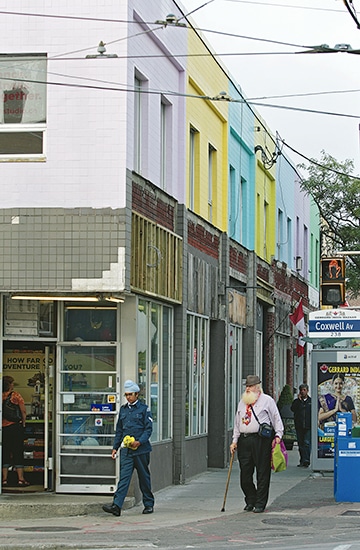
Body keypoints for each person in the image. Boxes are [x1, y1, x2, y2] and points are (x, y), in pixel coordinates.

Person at [230, 375, 284, 514]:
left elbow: (276, 418)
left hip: (261, 440)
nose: (247, 389)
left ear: (257, 387)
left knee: (262, 473)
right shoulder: (242, 402)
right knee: (245, 475)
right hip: (245, 440)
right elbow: (237, 423)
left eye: (250, 386)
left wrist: (278, 435)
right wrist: (234, 440)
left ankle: (260, 503)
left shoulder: (267, 401)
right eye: (246, 386)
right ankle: (250, 499)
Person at [102, 380, 155, 517]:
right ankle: (117, 506)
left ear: (136, 394)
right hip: (126, 450)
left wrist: (140, 442)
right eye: (126, 395)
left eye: (130, 394)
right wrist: (115, 447)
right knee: (124, 478)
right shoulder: (124, 410)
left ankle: (148, 504)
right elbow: (119, 430)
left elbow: (148, 429)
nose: (128, 397)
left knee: (144, 478)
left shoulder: (144, 409)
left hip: (141, 450)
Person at [2, 375, 30, 487]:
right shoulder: (16, 395)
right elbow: (23, 411)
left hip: (3, 428)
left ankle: (4, 479)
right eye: (12, 383)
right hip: (15, 427)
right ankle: (20, 479)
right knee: (18, 451)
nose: (13, 385)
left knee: (5, 452)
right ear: (9, 385)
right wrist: (23, 423)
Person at [291, 384, 311, 468]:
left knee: (307, 443)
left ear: (307, 391)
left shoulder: (311, 401)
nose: (302, 392)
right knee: (301, 444)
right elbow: (293, 409)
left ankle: (307, 460)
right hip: (299, 426)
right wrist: (299, 401)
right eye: (301, 390)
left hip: (308, 425)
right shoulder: (296, 402)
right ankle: (302, 460)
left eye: (304, 390)